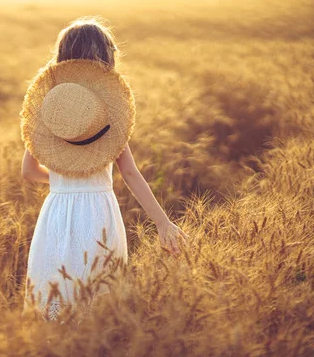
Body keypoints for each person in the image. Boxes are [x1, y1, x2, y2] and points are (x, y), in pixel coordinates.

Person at [19, 17, 188, 322]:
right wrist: (163, 223)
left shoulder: (52, 108)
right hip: (98, 212)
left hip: (56, 211)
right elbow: (131, 175)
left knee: (56, 294)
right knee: (99, 300)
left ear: (62, 56)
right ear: (106, 57)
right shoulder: (103, 111)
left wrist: (64, 182)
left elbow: (29, 170)